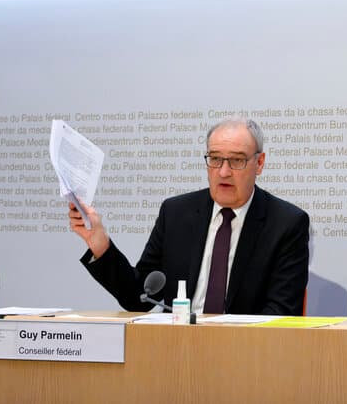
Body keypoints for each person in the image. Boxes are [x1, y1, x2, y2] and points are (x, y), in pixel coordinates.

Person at [68, 116, 309, 315]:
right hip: (177, 352)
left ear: (259, 163)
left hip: (246, 356)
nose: (223, 172)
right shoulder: (176, 213)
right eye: (215, 159)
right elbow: (139, 298)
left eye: (236, 160)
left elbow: (281, 313)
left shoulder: (286, 224)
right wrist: (100, 245)